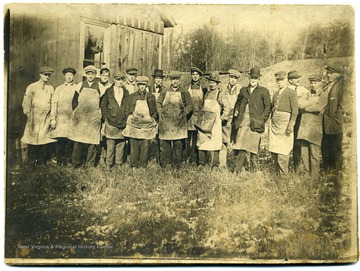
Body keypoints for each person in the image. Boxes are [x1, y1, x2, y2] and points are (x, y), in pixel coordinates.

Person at [232, 67, 271, 173]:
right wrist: (236, 110)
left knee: (254, 149)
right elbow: (238, 102)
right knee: (241, 147)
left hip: (255, 124)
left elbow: (268, 107)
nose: (253, 80)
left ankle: (254, 170)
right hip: (243, 122)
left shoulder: (263, 91)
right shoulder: (243, 90)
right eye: (251, 78)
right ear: (249, 78)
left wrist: (262, 120)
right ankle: (237, 170)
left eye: (255, 78)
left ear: (259, 79)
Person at [156, 71, 193, 173]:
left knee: (178, 146)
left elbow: (190, 105)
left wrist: (184, 114)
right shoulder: (164, 91)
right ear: (170, 81)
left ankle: (176, 167)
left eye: (177, 79)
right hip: (166, 123)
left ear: (180, 80)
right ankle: (165, 167)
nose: (175, 81)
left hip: (179, 123)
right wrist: (160, 113)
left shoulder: (185, 92)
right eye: (173, 79)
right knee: (165, 146)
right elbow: (158, 103)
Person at [21, 66, 56, 165]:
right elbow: (26, 102)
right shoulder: (32, 87)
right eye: (45, 75)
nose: (47, 77)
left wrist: (52, 118)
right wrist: (28, 114)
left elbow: (53, 103)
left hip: (46, 118)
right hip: (34, 118)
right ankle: (32, 162)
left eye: (49, 75)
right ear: (40, 74)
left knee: (44, 140)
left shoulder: (50, 88)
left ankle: (41, 162)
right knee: (33, 139)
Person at [69, 65, 102, 168]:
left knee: (92, 141)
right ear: (86, 75)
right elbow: (74, 100)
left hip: (93, 118)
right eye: (88, 74)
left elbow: (103, 101)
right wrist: (77, 112)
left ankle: (90, 163)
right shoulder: (80, 85)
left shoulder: (100, 86)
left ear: (95, 75)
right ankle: (75, 163)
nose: (90, 76)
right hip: (81, 117)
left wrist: (98, 114)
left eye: (92, 74)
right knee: (78, 140)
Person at [297, 74, 327, 180]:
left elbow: (318, 108)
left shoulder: (323, 94)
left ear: (320, 83)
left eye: (315, 83)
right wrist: (312, 101)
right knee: (304, 152)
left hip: (314, 128)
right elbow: (299, 104)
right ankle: (306, 174)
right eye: (311, 83)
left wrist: (305, 107)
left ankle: (314, 177)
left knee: (314, 154)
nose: (313, 85)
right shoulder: (307, 93)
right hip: (304, 127)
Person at [123, 76, 157, 168]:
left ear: (146, 86)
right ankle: (133, 165)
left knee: (145, 146)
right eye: (140, 85)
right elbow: (127, 111)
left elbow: (154, 112)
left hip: (146, 126)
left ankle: (143, 165)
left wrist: (151, 120)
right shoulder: (131, 97)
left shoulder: (151, 97)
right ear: (137, 85)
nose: (142, 87)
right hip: (134, 125)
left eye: (144, 85)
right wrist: (130, 118)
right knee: (134, 146)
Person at [268, 71, 299, 175]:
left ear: (286, 80)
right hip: (275, 125)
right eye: (278, 80)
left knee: (283, 151)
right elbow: (272, 109)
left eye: (281, 80)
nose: (279, 82)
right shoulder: (275, 94)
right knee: (274, 150)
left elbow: (295, 110)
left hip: (285, 125)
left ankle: (283, 176)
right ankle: (276, 174)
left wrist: (291, 124)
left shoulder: (291, 93)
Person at [100, 71, 129, 170]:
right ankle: (108, 164)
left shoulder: (126, 92)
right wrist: (105, 116)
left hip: (122, 121)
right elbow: (103, 105)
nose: (120, 82)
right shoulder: (109, 91)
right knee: (110, 144)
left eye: (122, 80)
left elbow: (127, 106)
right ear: (114, 80)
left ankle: (119, 163)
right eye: (118, 79)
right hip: (111, 122)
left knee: (121, 144)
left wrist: (126, 115)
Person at [49, 67, 77, 165]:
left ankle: (67, 160)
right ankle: (59, 160)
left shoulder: (76, 88)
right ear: (64, 76)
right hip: (60, 119)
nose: (69, 77)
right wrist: (53, 119)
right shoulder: (59, 89)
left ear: (74, 76)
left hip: (71, 118)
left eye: (71, 75)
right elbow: (54, 104)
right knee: (60, 140)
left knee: (70, 140)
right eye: (67, 75)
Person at [321, 65, 345, 173]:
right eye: (328, 73)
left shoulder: (341, 86)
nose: (328, 75)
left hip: (334, 123)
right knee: (326, 148)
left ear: (337, 74)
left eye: (331, 73)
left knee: (335, 148)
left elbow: (342, 106)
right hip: (326, 123)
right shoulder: (327, 86)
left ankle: (336, 172)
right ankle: (327, 171)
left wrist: (335, 117)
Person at [196, 72, 222, 169]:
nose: (212, 84)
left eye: (214, 82)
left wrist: (222, 117)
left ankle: (215, 164)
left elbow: (226, 107)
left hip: (215, 123)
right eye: (210, 82)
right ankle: (202, 163)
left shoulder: (220, 94)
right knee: (202, 141)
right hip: (205, 122)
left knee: (215, 142)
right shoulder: (206, 93)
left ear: (217, 83)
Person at [218, 68, 242, 169]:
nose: (232, 80)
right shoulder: (223, 89)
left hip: (236, 119)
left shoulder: (241, 90)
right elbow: (219, 102)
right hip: (225, 120)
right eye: (231, 77)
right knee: (224, 142)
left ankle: (237, 165)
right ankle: (222, 165)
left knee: (236, 142)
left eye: (235, 78)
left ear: (237, 80)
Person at [287, 70, 310, 172]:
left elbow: (308, 101)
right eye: (295, 78)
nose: (298, 80)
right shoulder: (286, 90)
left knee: (297, 141)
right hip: (289, 117)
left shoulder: (304, 90)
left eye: (298, 78)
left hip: (300, 118)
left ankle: (297, 165)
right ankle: (286, 164)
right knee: (287, 140)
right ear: (290, 80)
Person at [184, 67, 206, 164]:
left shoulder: (204, 89)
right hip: (188, 117)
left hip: (199, 117)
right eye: (193, 74)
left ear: (200, 76)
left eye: (197, 74)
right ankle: (186, 158)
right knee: (187, 139)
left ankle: (195, 159)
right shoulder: (186, 88)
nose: (195, 76)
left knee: (197, 139)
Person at [149, 69, 166, 163]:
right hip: (152, 115)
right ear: (154, 79)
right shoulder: (149, 88)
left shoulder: (165, 89)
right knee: (151, 137)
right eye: (157, 78)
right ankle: (151, 156)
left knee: (161, 137)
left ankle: (160, 157)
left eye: (160, 78)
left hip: (161, 116)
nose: (158, 80)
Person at [98, 67, 112, 165]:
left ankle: (105, 155)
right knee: (97, 135)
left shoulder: (111, 87)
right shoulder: (96, 85)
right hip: (97, 112)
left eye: (107, 75)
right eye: (103, 75)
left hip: (107, 113)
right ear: (100, 75)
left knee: (105, 134)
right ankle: (98, 156)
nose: (105, 77)